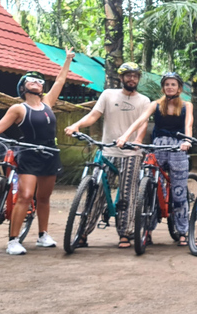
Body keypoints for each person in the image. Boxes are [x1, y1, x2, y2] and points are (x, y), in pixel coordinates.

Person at [0, 49, 75, 255]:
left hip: (50, 151)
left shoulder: (48, 103)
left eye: (39, 81)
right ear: (23, 87)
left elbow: (59, 81)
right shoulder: (18, 108)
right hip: (28, 152)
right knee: (25, 195)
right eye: (31, 80)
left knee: (44, 197)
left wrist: (67, 60)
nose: (36, 82)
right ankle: (13, 240)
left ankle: (43, 235)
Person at [64, 62, 151, 248]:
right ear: (121, 78)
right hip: (108, 150)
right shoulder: (108, 94)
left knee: (128, 193)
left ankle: (125, 234)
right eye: (128, 75)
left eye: (135, 76)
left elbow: (143, 124)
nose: (132, 79)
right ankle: (83, 232)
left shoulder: (144, 100)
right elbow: (94, 115)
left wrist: (139, 141)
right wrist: (76, 125)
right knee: (97, 192)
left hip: (131, 153)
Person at [116, 72, 193, 246]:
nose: (170, 87)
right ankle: (147, 229)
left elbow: (188, 124)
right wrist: (126, 136)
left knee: (179, 191)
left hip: (178, 147)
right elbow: (141, 120)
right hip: (158, 146)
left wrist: (187, 140)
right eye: (167, 84)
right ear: (163, 87)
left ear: (179, 88)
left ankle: (182, 231)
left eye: (173, 84)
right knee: (150, 188)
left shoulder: (187, 105)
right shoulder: (155, 104)